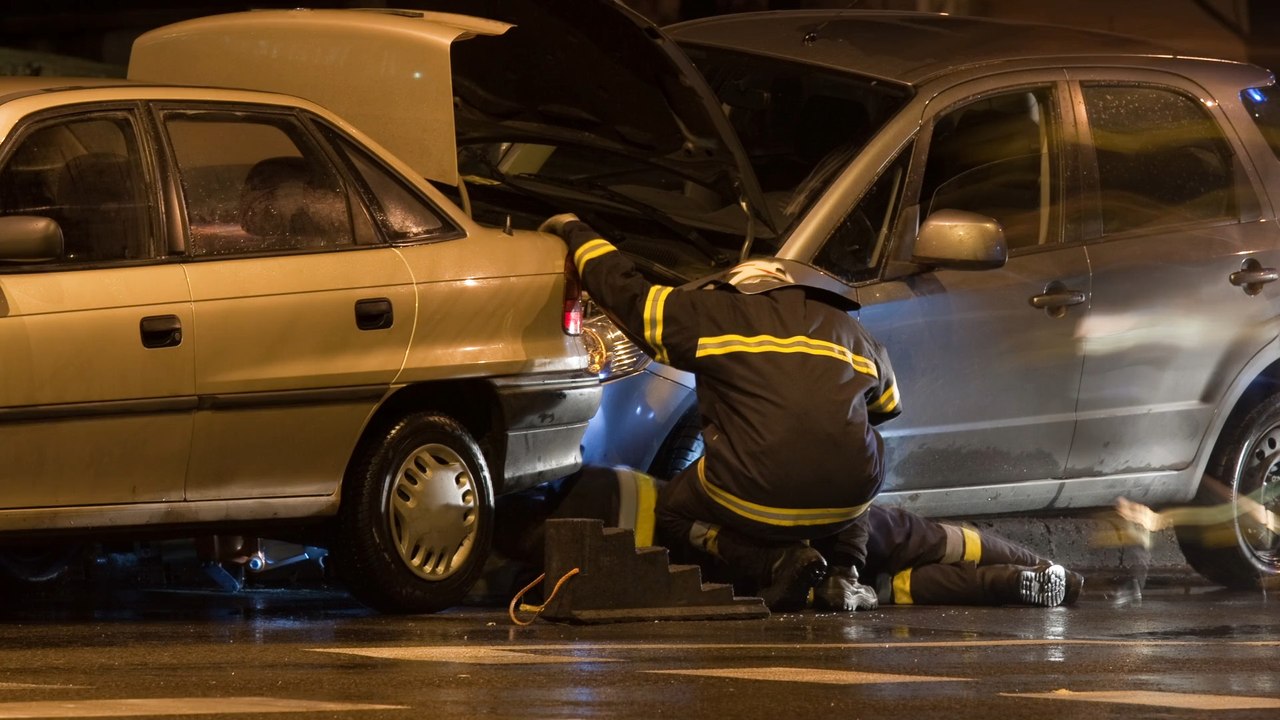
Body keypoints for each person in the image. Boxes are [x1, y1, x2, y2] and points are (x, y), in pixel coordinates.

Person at [541, 213, 900, 611]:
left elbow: (628, 295)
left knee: (672, 510)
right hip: (846, 504)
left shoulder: (712, 314)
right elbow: (884, 409)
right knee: (856, 448)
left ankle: (775, 561)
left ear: (737, 288)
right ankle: (844, 575)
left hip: (752, 498)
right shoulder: (854, 332)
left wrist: (573, 229)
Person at [493, 466, 1085, 608]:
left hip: (753, 568)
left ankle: (1017, 583)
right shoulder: (588, 481)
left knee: (899, 587)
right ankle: (1051, 575)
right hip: (799, 528)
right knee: (923, 541)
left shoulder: (551, 556)